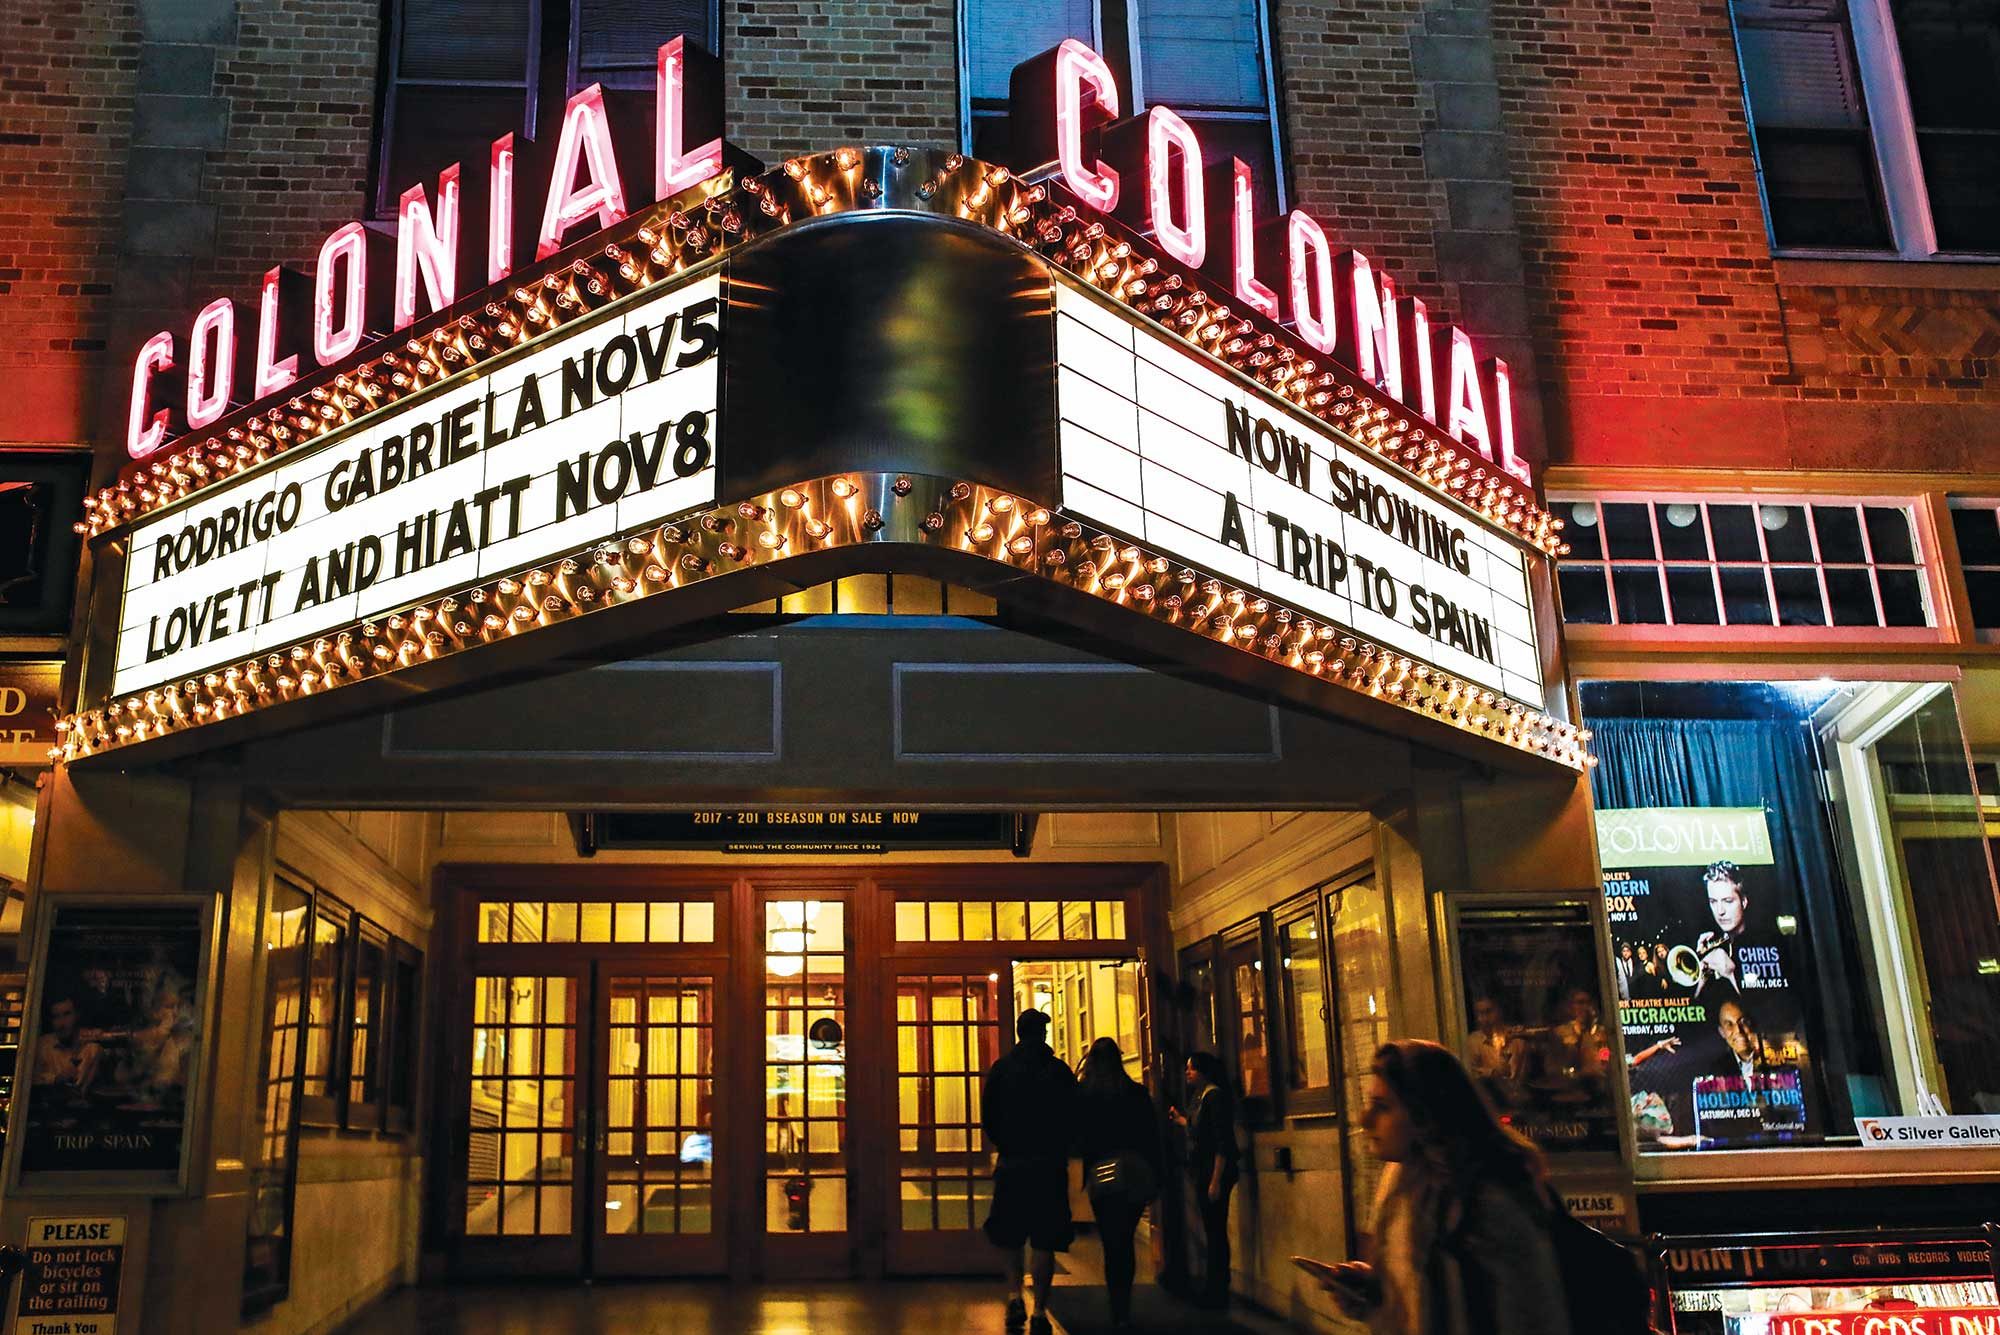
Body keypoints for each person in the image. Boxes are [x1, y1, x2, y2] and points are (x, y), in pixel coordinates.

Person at [1305, 1040, 1571, 1335]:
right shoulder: (1401, 1178)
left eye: (1383, 1107)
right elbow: (1414, 1294)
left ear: (1424, 1113)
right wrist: (1369, 1291)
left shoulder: (1487, 1200)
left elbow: (1534, 1316)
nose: (1364, 1119)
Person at [982, 1009, 1078, 1335]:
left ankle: (1013, 1297)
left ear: (1020, 1033)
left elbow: (989, 1119)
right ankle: (1039, 1311)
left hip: (1012, 1163)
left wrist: (1006, 1144)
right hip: (1048, 1166)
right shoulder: (1058, 1071)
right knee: (1044, 1239)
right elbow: (1071, 1117)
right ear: (1043, 1034)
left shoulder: (1002, 1070)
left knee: (1009, 1235)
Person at [1076, 1037, 1162, 1330]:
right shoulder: (1137, 1093)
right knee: (1124, 1239)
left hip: (1103, 1172)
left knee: (1112, 1241)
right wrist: (1156, 1178)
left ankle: (1117, 1306)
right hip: (1135, 1171)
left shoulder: (1086, 1095)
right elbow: (1152, 1136)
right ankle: (1123, 1306)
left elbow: (1079, 1137)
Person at [1167, 1051, 1238, 1310]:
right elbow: (1201, 1129)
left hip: (1212, 1171)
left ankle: (1218, 1289)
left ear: (1203, 1071)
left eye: (1191, 1069)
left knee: (1216, 1230)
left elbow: (1221, 1143)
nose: (1187, 1073)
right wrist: (1182, 1121)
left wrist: (1215, 1180)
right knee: (1212, 1229)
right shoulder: (1203, 1097)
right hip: (1205, 1170)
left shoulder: (1214, 1096)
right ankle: (1214, 1286)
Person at [32, 995, 102, 1095]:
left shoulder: (92, 1045)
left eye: (67, 1014)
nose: (61, 1023)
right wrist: (55, 1079)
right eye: (56, 1017)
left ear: (77, 1015)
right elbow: (28, 1078)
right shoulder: (42, 1045)